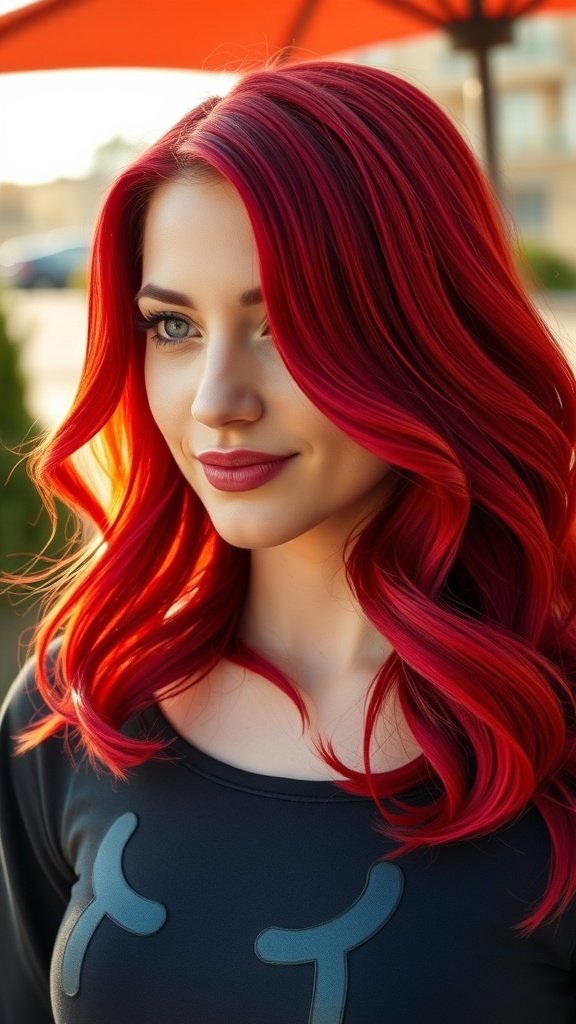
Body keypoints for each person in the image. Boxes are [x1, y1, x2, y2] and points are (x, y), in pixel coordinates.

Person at [1, 59, 576, 1024]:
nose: (217, 400)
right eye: (173, 326)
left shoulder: (549, 735)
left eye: (281, 325)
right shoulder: (84, 698)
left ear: (425, 332)